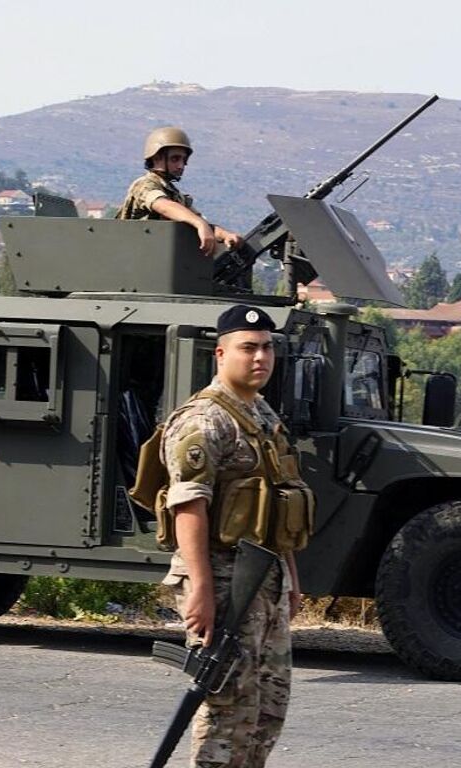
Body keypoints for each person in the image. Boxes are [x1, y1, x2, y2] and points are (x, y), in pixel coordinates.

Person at [154, 304, 311, 767]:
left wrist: (291, 575)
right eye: (248, 348)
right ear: (221, 354)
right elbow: (188, 505)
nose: (260, 357)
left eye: (266, 348)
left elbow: (279, 502)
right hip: (221, 577)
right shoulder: (204, 420)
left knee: (266, 710)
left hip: (266, 575)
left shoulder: (261, 415)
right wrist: (201, 589)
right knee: (228, 708)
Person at [117, 126, 245, 256]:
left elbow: (200, 223)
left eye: (184, 160)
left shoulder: (175, 195)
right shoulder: (144, 185)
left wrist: (225, 235)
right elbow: (163, 205)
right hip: (132, 257)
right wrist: (199, 224)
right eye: (175, 159)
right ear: (156, 158)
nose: (181, 165)